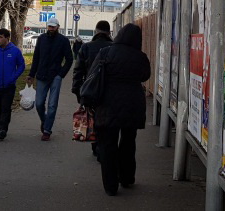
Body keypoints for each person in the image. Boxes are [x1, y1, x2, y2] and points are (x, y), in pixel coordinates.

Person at [93, 23, 152, 196]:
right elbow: (145, 76)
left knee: (108, 144)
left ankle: (110, 186)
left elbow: (95, 73)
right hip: (132, 103)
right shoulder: (140, 56)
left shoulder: (106, 52)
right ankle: (126, 177)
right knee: (128, 141)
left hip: (107, 103)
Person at [26, 17, 73, 141]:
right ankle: (45, 120)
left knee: (52, 105)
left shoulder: (63, 41)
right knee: (39, 103)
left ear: (58, 27)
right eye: (49, 26)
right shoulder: (41, 39)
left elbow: (69, 59)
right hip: (41, 75)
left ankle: (47, 130)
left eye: (53, 27)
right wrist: (31, 74)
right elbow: (36, 57)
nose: (51, 29)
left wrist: (61, 74)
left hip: (55, 76)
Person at [71, 20, 113, 156]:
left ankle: (96, 145)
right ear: (109, 32)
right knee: (107, 119)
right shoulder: (113, 47)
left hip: (90, 90)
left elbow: (78, 70)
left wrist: (77, 90)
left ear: (96, 31)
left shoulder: (86, 47)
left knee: (93, 117)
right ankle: (104, 146)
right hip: (108, 90)